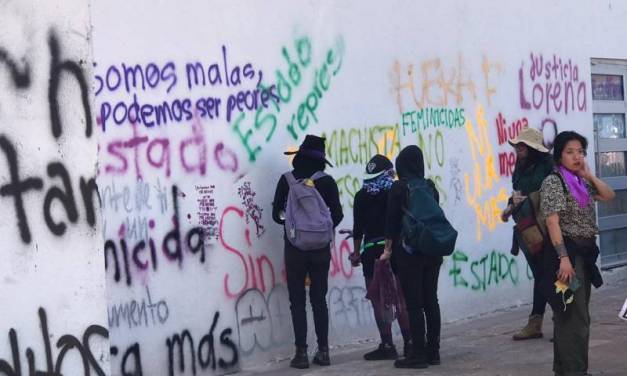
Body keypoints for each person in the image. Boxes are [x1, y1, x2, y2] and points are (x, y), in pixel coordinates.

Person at [539, 131, 614, 376]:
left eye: (580, 151)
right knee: (575, 318)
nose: (576, 156)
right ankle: (576, 371)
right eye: (570, 152)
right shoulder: (554, 182)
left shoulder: (580, 182)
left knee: (569, 315)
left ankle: (564, 369)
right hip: (567, 256)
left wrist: (588, 174)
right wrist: (564, 259)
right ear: (559, 155)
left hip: (584, 254)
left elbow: (608, 195)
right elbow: (552, 222)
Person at [272, 135, 343, 369]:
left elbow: (276, 216)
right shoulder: (327, 182)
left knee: (297, 301)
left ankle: (301, 353)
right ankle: (324, 351)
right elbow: (338, 215)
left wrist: (295, 225)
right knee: (319, 300)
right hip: (321, 250)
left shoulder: (287, 181)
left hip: (295, 250)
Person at [380, 145, 443, 369]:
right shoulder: (430, 187)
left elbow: (391, 222)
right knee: (431, 301)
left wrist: (387, 251)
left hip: (409, 254)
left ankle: (417, 354)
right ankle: (433, 352)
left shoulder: (399, 188)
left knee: (414, 305)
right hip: (432, 252)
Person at [349, 154, 412, 360]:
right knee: (401, 297)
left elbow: (358, 229)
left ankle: (387, 344)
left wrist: (356, 254)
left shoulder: (361, 196)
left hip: (371, 251)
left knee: (378, 300)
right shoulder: (396, 192)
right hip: (395, 249)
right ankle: (410, 343)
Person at [500, 127, 554, 340]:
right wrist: (509, 207)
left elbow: (554, 193)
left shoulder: (549, 166)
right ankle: (536, 323)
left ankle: (565, 320)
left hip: (549, 227)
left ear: (533, 148)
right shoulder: (521, 166)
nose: (518, 149)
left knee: (555, 274)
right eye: (518, 146)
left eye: (522, 146)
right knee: (541, 275)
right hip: (528, 228)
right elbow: (517, 194)